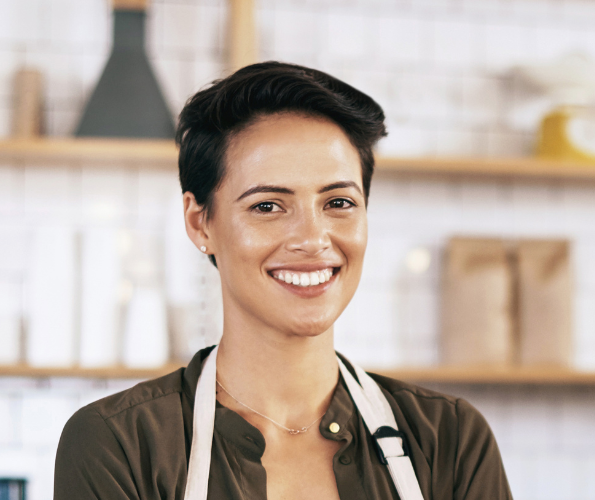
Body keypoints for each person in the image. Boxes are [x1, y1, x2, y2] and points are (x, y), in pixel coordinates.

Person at [54, 62, 513, 500]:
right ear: (201, 224)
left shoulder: (449, 440)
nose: (313, 239)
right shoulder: (120, 444)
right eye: (268, 206)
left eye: (338, 202)